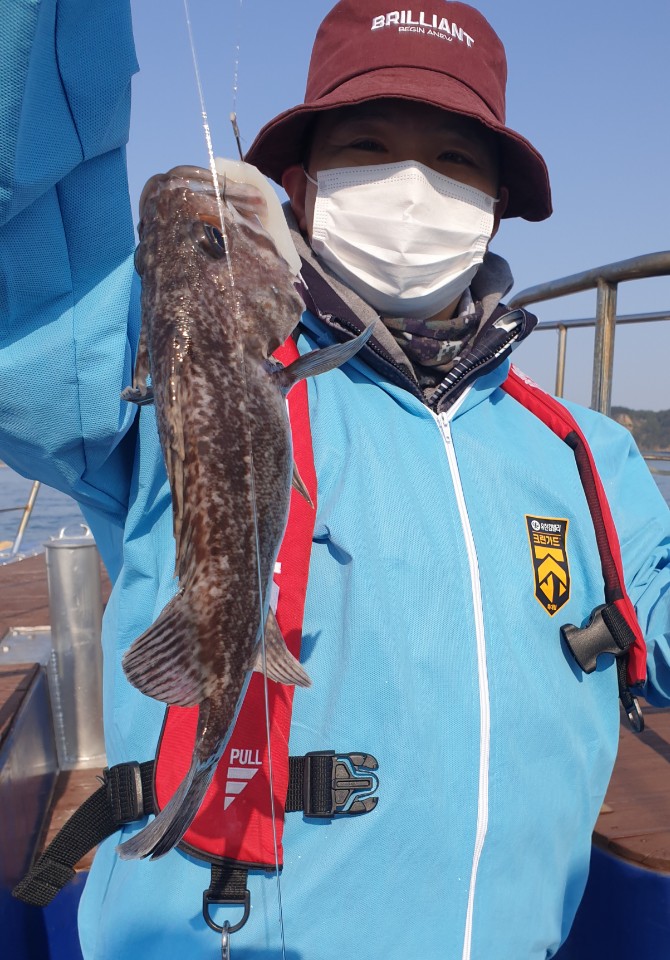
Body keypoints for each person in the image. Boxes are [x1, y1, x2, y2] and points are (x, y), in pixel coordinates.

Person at [1, 1, 669, 958]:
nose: (412, 185)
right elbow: (26, 192)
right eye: (367, 144)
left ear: (495, 202)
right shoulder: (143, 377)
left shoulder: (583, 452)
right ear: (300, 186)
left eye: (455, 159)